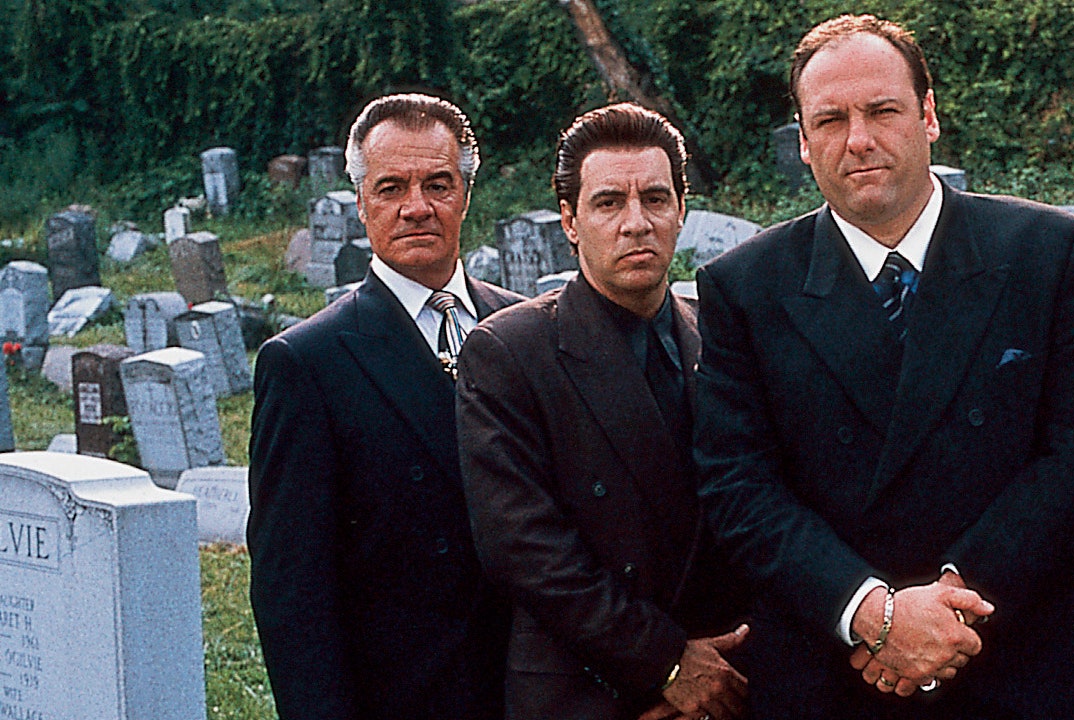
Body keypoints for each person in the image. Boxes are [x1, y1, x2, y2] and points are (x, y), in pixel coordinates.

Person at [693, 13, 1074, 719]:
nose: (858, 139)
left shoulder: (1047, 252)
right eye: (829, 120)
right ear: (802, 142)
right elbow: (737, 483)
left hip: (1014, 658)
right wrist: (873, 613)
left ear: (929, 116)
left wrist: (953, 600)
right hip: (834, 672)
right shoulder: (744, 287)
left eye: (882, 111)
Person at [455, 103, 750, 720]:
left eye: (655, 199)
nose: (636, 223)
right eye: (609, 202)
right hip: (589, 690)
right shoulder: (510, 350)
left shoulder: (719, 338)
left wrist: (713, 670)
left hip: (725, 682)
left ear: (681, 210)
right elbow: (524, 548)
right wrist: (667, 663)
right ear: (570, 219)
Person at [247, 93, 524, 720]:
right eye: (391, 187)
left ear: (466, 196)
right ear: (360, 202)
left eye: (438, 184)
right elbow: (292, 588)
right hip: (405, 697)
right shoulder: (307, 362)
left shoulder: (523, 326)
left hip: (536, 689)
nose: (416, 207)